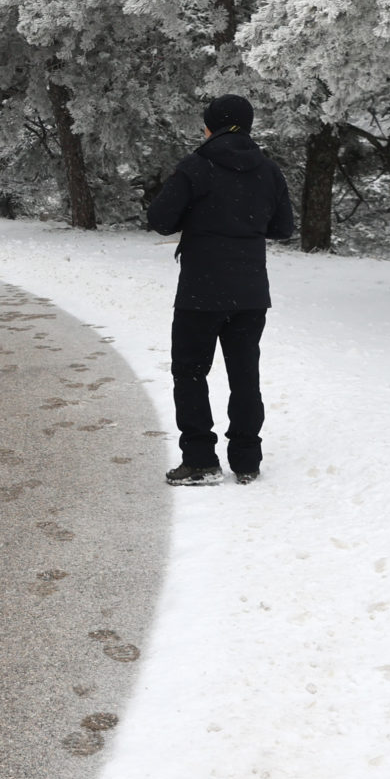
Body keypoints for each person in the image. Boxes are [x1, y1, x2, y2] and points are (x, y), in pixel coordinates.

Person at [146, 94, 295, 486]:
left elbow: (161, 219)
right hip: (249, 291)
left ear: (211, 125)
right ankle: (246, 461)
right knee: (245, 374)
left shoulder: (196, 166)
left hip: (201, 291)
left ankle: (200, 461)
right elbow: (283, 229)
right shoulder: (269, 170)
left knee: (190, 373)